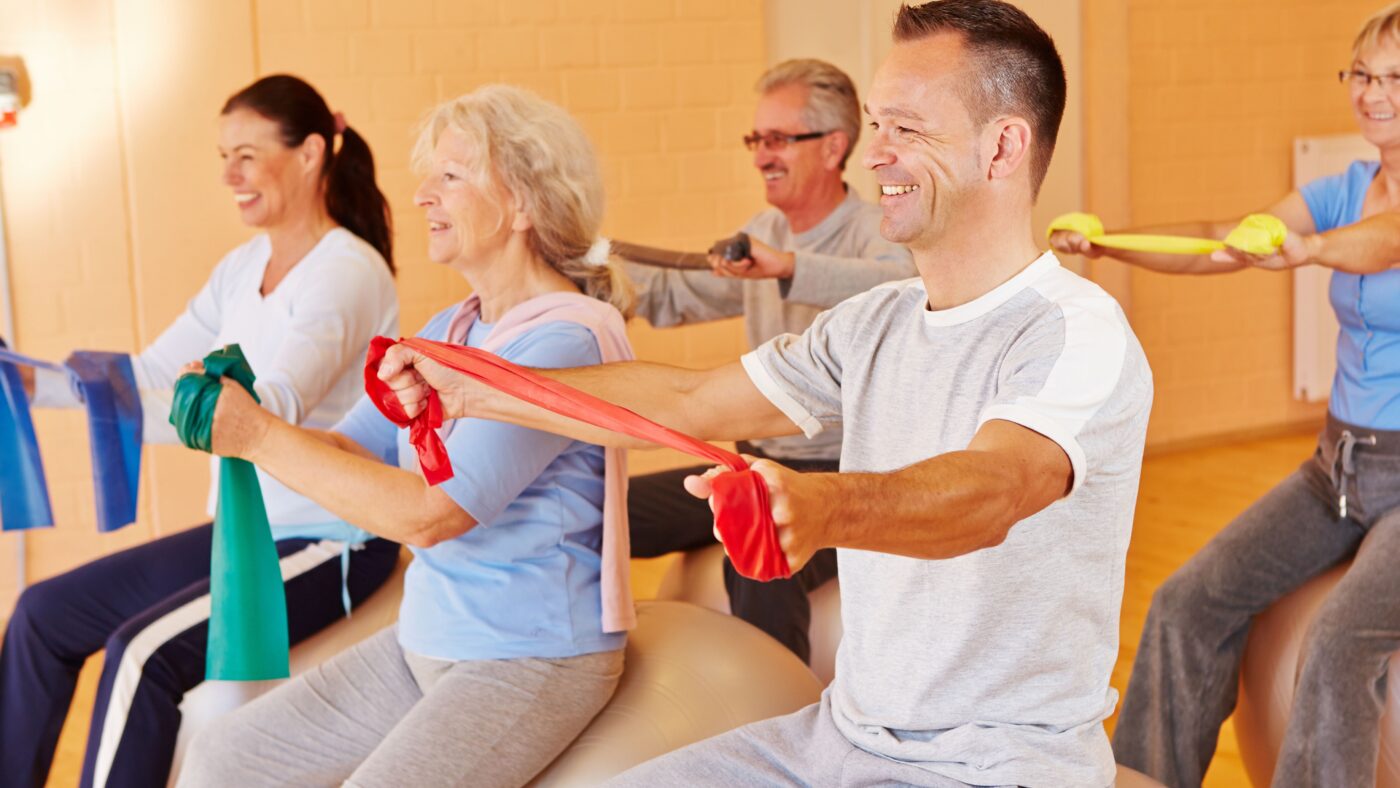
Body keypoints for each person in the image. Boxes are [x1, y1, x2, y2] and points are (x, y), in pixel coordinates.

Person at [379, 3, 1152, 785]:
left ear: (1004, 148)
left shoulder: (1075, 330)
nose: (875, 155)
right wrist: (474, 388)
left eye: (906, 130)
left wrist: (825, 508)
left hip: (996, 762)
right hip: (838, 736)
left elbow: (995, 491)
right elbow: (687, 402)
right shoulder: (874, 321)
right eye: (877, 125)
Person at [176, 85, 635, 788]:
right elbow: (353, 447)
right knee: (224, 758)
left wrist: (261, 436)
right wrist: (242, 415)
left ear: (521, 203)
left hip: (531, 655)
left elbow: (429, 513)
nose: (422, 195)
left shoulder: (566, 337)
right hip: (430, 638)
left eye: (451, 176)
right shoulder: (451, 327)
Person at [0, 74, 400, 788]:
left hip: (330, 539)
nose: (228, 175)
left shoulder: (347, 273)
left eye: (246, 155)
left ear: (310, 154)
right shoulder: (242, 267)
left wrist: (203, 405)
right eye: (224, 156)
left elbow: (266, 410)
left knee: (140, 655)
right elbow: (147, 372)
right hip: (243, 534)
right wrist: (35, 384)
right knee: (41, 615)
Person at [1051, 5, 1400, 786]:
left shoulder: (1356, 222)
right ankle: (1142, 778)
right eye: (1363, 76)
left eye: (1394, 79)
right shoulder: (1344, 187)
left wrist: (1308, 250)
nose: (1373, 94)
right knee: (1184, 604)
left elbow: (1389, 242)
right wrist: (1110, 243)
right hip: (1338, 469)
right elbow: (1224, 240)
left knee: (1341, 640)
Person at [624, 58, 914, 663]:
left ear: (833, 147)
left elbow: (902, 288)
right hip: (748, 469)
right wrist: (592, 279)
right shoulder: (764, 231)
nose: (760, 155)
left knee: (760, 563)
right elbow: (681, 293)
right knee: (604, 512)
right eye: (757, 139)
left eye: (778, 139)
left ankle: (781, 728)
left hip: (839, 480)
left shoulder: (875, 231)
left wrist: (787, 266)